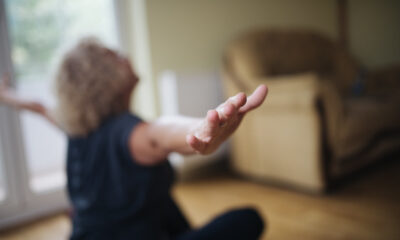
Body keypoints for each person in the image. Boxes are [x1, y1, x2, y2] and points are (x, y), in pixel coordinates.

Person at [0, 38, 267, 240]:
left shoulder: (73, 125)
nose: (125, 57)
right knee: (249, 218)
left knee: (161, 198)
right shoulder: (132, 133)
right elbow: (161, 132)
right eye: (115, 56)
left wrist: (5, 95)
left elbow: (36, 105)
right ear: (104, 78)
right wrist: (200, 128)